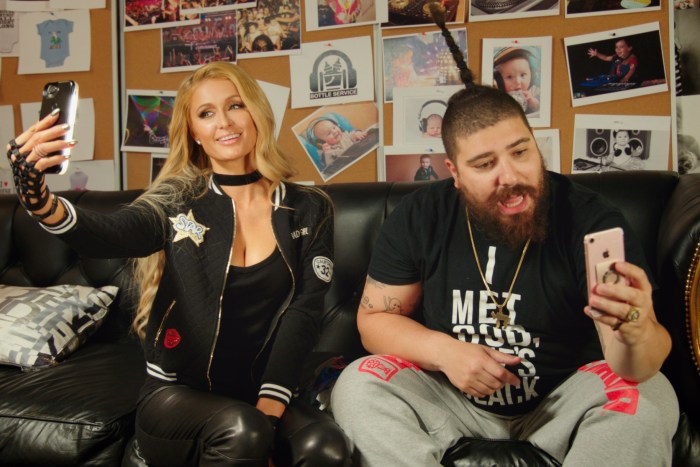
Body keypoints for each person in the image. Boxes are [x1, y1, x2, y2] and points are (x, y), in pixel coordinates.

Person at [6, 62, 350, 467]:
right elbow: (109, 233)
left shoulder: (308, 207)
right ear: (194, 132)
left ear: (257, 112)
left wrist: (271, 407)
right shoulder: (177, 200)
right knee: (244, 430)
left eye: (235, 105)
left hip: (260, 392)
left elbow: (304, 312)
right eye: (206, 113)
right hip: (176, 398)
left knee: (323, 446)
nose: (224, 122)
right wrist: (39, 200)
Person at [330, 68, 678, 465]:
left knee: (651, 394)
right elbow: (374, 320)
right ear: (455, 173)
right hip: (452, 402)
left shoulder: (591, 220)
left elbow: (635, 365)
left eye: (520, 151)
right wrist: (446, 353)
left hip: (563, 401)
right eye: (484, 164)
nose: (510, 176)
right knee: (359, 384)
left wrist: (636, 331)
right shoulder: (419, 216)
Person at [493, 46, 540, 114]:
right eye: (509, 77)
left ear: (532, 74)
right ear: (498, 79)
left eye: (522, 75)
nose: (518, 82)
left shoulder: (535, 91)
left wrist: (534, 104)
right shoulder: (497, 96)